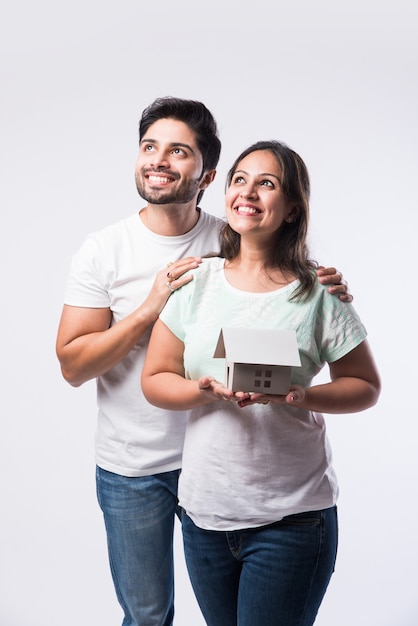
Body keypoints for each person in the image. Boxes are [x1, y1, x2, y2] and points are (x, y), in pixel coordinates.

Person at [56, 97, 352, 626]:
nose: (159, 160)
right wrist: (150, 308)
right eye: (149, 147)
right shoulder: (104, 249)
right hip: (137, 465)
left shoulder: (229, 234)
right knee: (147, 616)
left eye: (177, 151)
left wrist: (324, 283)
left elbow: (282, 274)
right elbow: (74, 366)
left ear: (208, 174)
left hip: (224, 468)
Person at [141, 139, 381, 626]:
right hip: (204, 516)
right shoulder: (196, 283)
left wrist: (301, 395)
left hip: (292, 519)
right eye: (239, 179)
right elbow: (155, 379)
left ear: (292, 208)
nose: (247, 192)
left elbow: (365, 385)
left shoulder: (319, 292)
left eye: (266, 184)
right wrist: (201, 389)